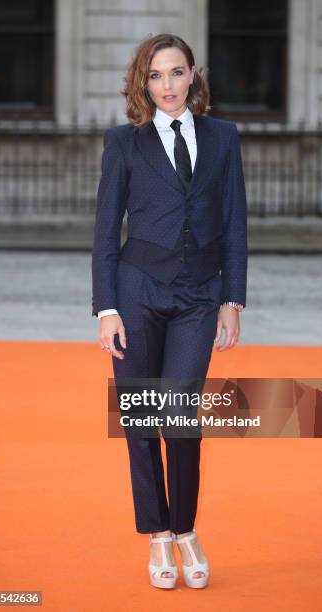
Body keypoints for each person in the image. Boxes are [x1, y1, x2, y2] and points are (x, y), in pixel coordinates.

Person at [91, 33, 248, 590]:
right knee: (141, 421)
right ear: (142, 82)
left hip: (200, 297)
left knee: (180, 418)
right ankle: (157, 535)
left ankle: (185, 528)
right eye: (156, 76)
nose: (168, 86)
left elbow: (234, 222)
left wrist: (233, 300)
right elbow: (106, 233)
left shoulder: (223, 137)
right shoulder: (124, 142)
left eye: (177, 73)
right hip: (136, 294)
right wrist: (106, 308)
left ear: (193, 77)